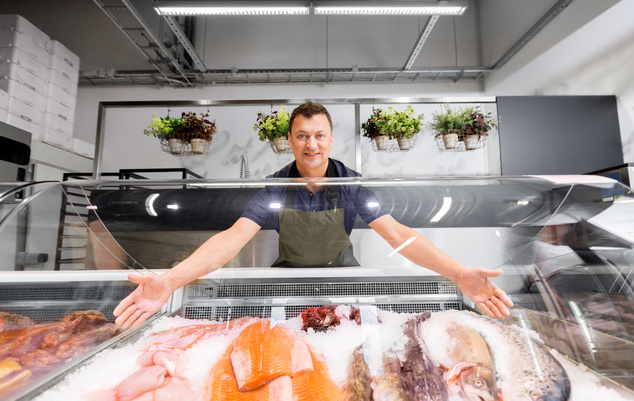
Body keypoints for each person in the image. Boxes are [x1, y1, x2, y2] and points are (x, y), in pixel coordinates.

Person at [114, 102, 513, 329]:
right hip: (290, 275)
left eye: (319, 135)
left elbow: (397, 234)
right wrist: (171, 279)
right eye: (302, 135)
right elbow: (233, 238)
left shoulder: (351, 186)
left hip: (343, 270)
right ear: (289, 141)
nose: (311, 144)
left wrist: (458, 274)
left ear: (330, 139)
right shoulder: (276, 187)